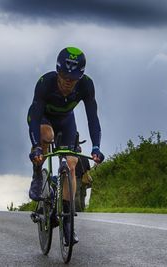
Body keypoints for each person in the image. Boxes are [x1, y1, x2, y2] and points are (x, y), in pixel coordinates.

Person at [27, 47, 104, 244]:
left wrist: (96, 147)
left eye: (74, 78)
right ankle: (37, 173)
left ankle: (68, 223)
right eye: (64, 77)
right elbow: (35, 116)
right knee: (47, 134)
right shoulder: (45, 83)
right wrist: (36, 146)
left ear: (81, 76)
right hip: (42, 118)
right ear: (58, 72)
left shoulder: (86, 85)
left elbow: (92, 118)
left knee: (71, 163)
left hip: (66, 120)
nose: (68, 82)